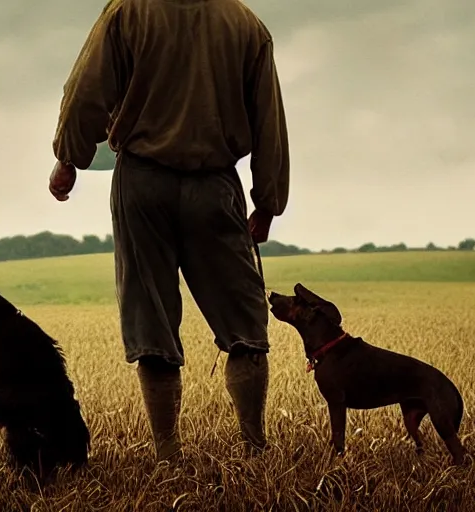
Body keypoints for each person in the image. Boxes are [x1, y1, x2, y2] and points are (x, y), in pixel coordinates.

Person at [48, 0, 289, 463]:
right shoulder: (245, 24)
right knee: (245, 324)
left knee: (150, 317)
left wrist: (69, 159)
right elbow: (269, 120)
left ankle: (167, 454)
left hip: (142, 184)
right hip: (215, 186)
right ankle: (255, 450)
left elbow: (86, 92)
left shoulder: (127, 11)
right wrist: (268, 202)